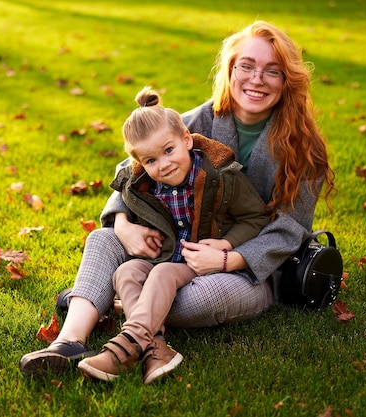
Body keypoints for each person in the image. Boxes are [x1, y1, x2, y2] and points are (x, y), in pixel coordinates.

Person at [19, 20, 335, 379]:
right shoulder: (201, 118)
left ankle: (114, 302)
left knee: (200, 300)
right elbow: (136, 162)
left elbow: (290, 228)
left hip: (251, 269)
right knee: (102, 239)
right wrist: (124, 226)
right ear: (231, 70)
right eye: (246, 66)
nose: (256, 79)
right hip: (174, 248)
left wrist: (229, 258)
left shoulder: (303, 147)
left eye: (272, 71)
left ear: (287, 79)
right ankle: (69, 341)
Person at [75, 86, 270, 384]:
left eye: (169, 151)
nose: (164, 164)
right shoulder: (144, 185)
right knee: (126, 272)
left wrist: (226, 243)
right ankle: (157, 350)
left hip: (202, 263)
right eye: (151, 161)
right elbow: (123, 182)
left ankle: (129, 342)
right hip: (166, 257)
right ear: (141, 163)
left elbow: (256, 217)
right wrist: (126, 224)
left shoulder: (223, 177)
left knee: (164, 274)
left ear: (187, 139)